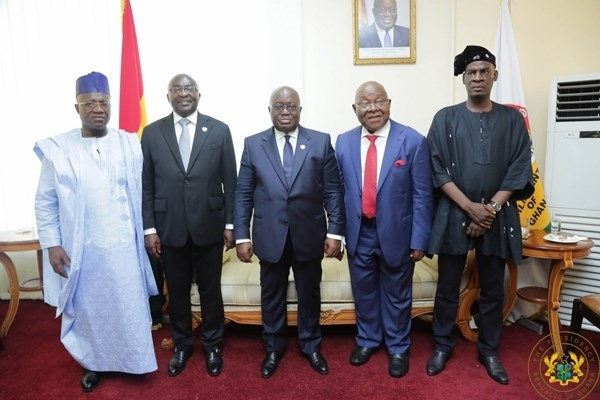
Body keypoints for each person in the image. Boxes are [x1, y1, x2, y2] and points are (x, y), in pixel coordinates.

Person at [34, 71, 158, 392]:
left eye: (103, 102)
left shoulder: (129, 144)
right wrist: (52, 243)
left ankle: (133, 361)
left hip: (124, 247)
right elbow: (45, 201)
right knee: (91, 311)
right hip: (84, 249)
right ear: (76, 107)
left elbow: (146, 193)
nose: (98, 109)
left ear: (110, 104)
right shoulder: (58, 150)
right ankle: (93, 365)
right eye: (89, 103)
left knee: (128, 306)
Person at [425, 45, 534, 385]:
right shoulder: (445, 117)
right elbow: (436, 167)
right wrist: (470, 207)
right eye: (471, 72)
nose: (477, 77)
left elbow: (519, 168)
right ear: (463, 78)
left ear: (494, 76)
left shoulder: (512, 119)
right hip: (453, 212)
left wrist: (490, 210)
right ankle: (442, 345)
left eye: (483, 71)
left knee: (492, 289)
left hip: (497, 217)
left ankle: (488, 350)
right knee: (446, 286)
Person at [234, 86, 345, 378]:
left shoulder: (320, 142)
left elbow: (333, 190)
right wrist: (242, 236)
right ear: (269, 110)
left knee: (310, 293)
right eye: (279, 106)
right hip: (270, 236)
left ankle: (311, 345)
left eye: (291, 106)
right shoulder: (253, 144)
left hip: (309, 235)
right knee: (271, 294)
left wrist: (335, 232)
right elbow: (243, 192)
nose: (285, 112)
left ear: (300, 110)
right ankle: (273, 348)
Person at [335, 81, 433, 378]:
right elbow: (337, 192)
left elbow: (422, 195)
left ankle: (399, 346)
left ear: (389, 103)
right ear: (355, 109)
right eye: (365, 103)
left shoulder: (413, 141)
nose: (373, 108)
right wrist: (336, 234)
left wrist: (419, 239)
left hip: (397, 234)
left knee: (398, 294)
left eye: (378, 101)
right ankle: (367, 340)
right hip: (358, 231)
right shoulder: (343, 141)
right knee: (363, 292)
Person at [141, 73, 237, 378]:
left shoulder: (219, 130)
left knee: (210, 291)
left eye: (189, 88)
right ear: (167, 95)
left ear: (198, 94)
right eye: (177, 89)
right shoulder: (152, 133)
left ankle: (212, 344)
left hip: (209, 225)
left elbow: (230, 184)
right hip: (169, 227)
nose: (184, 93)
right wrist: (150, 229)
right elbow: (146, 185)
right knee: (178, 291)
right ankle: (182, 344)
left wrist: (231, 224)